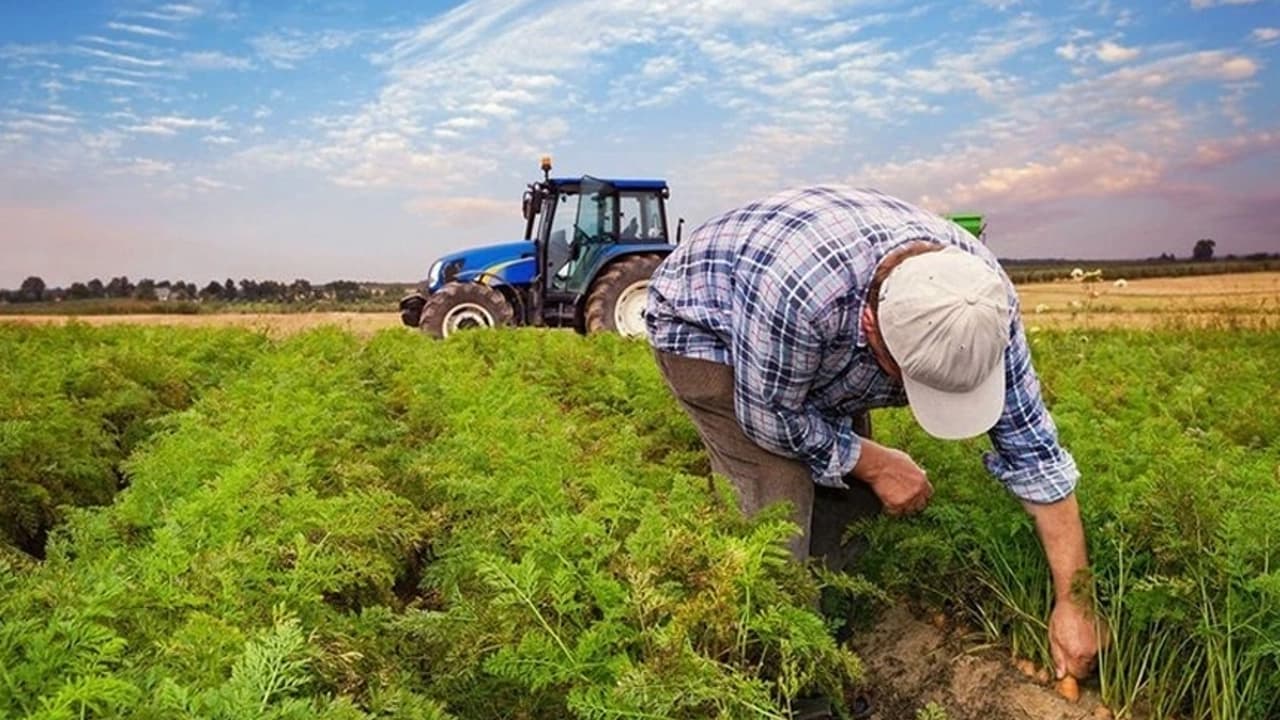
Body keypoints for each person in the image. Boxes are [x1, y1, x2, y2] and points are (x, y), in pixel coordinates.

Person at [644, 185, 1100, 686]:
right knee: (778, 505)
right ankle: (785, 676)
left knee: (850, 498)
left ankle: (841, 627)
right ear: (871, 325)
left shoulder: (981, 302)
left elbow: (1034, 453)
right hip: (709, 329)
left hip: (812, 333)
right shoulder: (801, 296)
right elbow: (770, 418)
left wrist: (1074, 602)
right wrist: (876, 461)